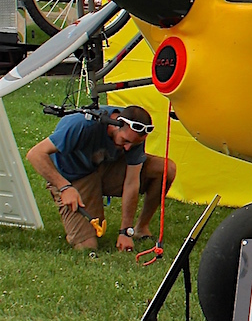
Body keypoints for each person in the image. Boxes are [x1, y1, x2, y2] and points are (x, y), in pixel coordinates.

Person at [26, 105, 176, 254]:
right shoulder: (82, 125)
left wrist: (125, 231)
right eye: (125, 141)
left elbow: (132, 182)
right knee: (87, 245)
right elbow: (35, 154)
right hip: (74, 176)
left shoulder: (134, 133)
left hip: (105, 166)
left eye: (134, 144)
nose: (128, 148)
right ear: (115, 124)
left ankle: (140, 229)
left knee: (164, 169)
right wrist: (64, 187)